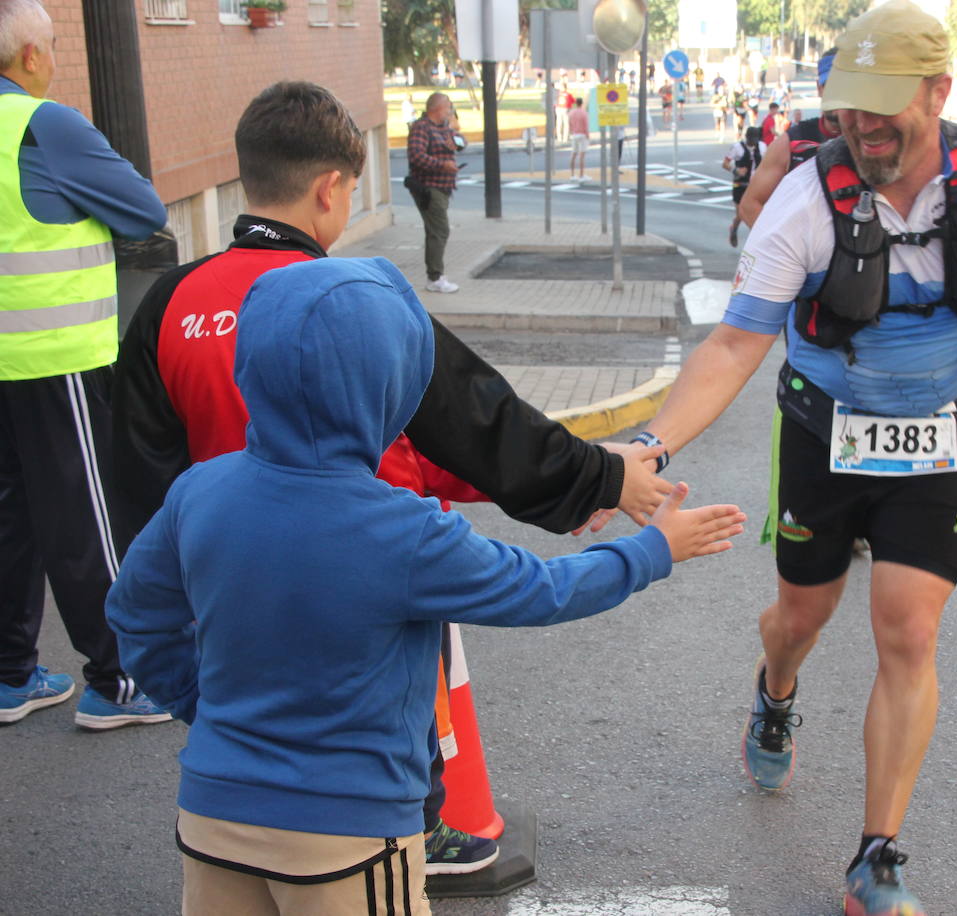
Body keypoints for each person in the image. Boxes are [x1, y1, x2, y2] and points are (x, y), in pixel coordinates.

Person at [109, 81, 674, 878]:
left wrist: (194, 686)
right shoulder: (360, 309)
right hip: (369, 578)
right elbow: (479, 424)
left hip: (228, 591)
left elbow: (140, 475)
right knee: (382, 758)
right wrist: (602, 481)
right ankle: (423, 833)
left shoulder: (169, 301)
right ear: (332, 189)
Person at [621, 3, 957, 913]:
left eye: (884, 108)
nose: (864, 130)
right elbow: (730, 347)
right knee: (801, 616)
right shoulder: (804, 202)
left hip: (933, 437)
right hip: (821, 433)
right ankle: (776, 688)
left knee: (910, 631)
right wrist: (650, 443)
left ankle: (878, 856)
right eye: (847, 110)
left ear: (941, 91)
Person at [107, 255, 747, 916]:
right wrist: (654, 551)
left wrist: (201, 708)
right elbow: (543, 590)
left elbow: (135, 616)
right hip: (349, 835)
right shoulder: (398, 529)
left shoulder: (200, 493)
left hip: (213, 816)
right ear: (390, 383)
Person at [0, 0, 171, 730]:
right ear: (31, 56)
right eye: (55, 44)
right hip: (54, 356)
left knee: (10, 520)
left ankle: (10, 675)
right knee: (84, 521)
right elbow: (143, 209)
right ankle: (121, 679)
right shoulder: (45, 125)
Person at [738, 47, 840, 227]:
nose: (838, 95)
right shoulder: (793, 141)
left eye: (847, 87)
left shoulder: (873, 140)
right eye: (831, 86)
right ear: (819, 88)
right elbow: (749, 206)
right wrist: (784, 249)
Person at [406, 92, 463, 293]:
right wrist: (442, 165)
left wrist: (457, 142)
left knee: (435, 230)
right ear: (437, 108)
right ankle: (435, 277)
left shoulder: (444, 127)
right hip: (429, 188)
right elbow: (417, 157)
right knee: (440, 230)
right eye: (448, 107)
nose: (450, 111)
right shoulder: (422, 128)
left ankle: (436, 275)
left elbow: (461, 141)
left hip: (444, 187)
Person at [723, 126, 766, 248]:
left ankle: (755, 242)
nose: (753, 142)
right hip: (740, 185)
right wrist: (736, 170)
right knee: (741, 214)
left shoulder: (762, 147)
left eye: (755, 140)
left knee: (755, 214)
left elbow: (767, 163)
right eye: (751, 139)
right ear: (747, 138)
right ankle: (734, 228)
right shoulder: (737, 148)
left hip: (755, 186)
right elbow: (725, 163)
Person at [568, 96, 590, 179]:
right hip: (582, 135)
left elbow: (569, 123)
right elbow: (586, 125)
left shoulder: (571, 113)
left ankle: (572, 174)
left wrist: (571, 132)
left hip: (574, 134)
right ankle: (581, 174)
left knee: (573, 154)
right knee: (581, 156)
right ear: (582, 103)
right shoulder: (584, 113)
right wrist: (588, 135)